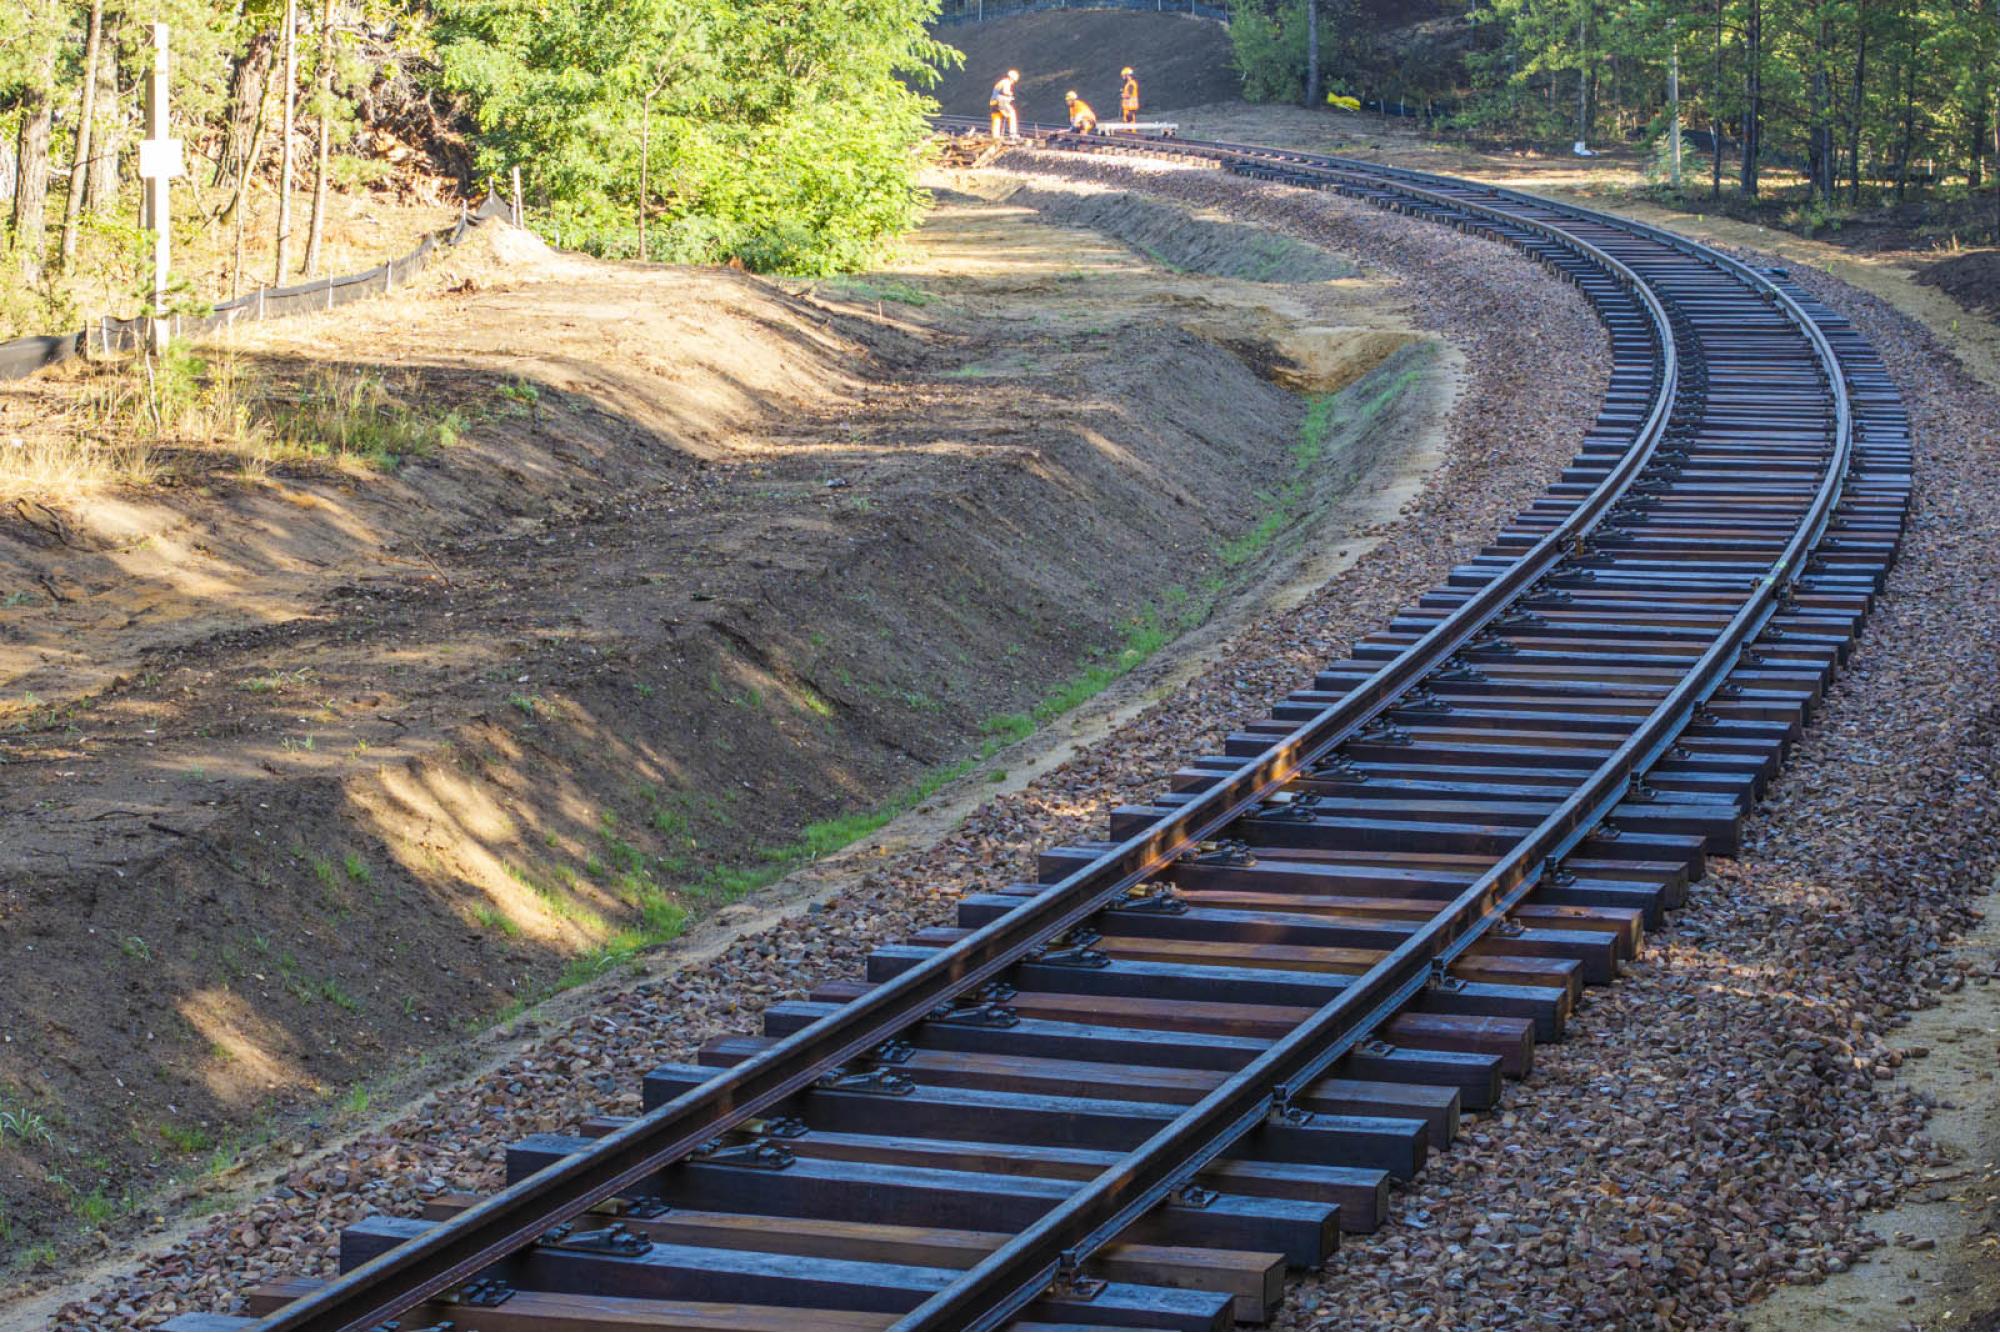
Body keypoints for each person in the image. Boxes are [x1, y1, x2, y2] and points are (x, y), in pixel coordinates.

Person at [990, 69, 1020, 140]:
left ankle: (995, 136)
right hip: (1001, 101)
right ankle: (1013, 134)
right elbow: (1005, 91)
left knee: (997, 117)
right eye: (1014, 81)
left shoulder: (1000, 82)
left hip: (993, 103)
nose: (1013, 83)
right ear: (1011, 78)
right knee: (1012, 114)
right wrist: (1010, 94)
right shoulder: (1006, 82)